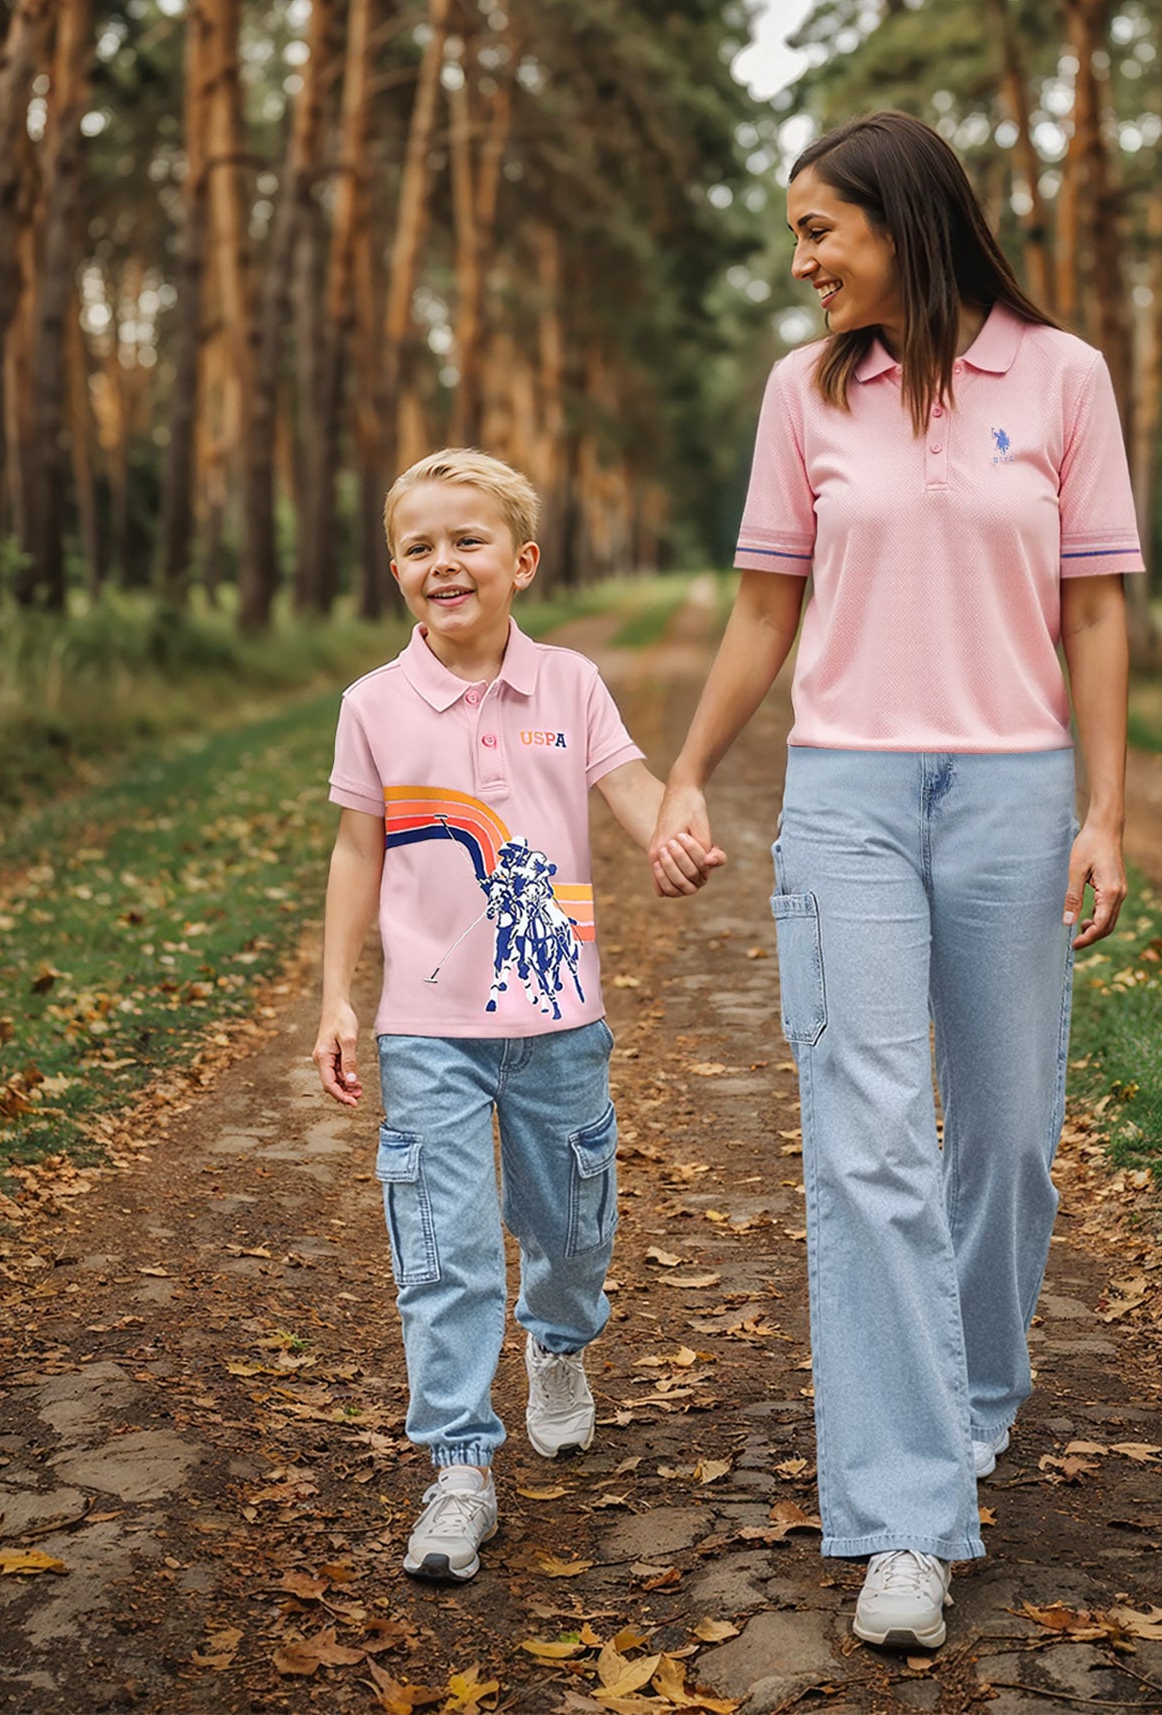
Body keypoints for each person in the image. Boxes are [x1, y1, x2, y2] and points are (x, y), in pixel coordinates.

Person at [650, 112, 1143, 1651]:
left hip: (1009, 792)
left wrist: (1105, 809)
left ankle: (975, 1392)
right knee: (867, 1141)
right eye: (796, 233)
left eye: (820, 231)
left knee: (1007, 1138)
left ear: (903, 225)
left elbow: (1102, 616)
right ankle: (910, 1515)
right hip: (848, 791)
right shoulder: (804, 396)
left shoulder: (1061, 377)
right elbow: (759, 616)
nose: (800, 260)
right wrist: (684, 769)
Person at [312, 448, 719, 1584]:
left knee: (574, 1228)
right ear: (396, 568)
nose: (444, 562)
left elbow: (627, 780)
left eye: (469, 540)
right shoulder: (373, 705)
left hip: (557, 1022)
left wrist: (666, 831)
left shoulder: (572, 684)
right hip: (428, 1026)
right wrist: (337, 993)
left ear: (522, 561)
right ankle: (458, 1464)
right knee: (443, 1251)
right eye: (419, 546)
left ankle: (559, 1343)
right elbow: (357, 849)